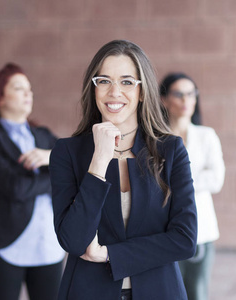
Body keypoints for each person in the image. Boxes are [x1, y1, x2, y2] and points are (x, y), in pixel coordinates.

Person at [48, 40, 197, 300]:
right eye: (104, 81)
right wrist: (99, 161)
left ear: (142, 91)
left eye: (127, 82)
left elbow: (184, 240)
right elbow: (72, 240)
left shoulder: (171, 150)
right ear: (93, 89)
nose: (114, 91)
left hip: (160, 292)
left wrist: (109, 254)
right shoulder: (67, 152)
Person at [0, 63, 65, 300]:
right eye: (19, 88)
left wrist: (50, 157)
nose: (28, 93)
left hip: (48, 247)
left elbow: (75, 171)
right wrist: (54, 175)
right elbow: (16, 188)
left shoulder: (43, 135)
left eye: (30, 89)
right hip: (6, 247)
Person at [160, 73, 225, 300]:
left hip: (201, 229)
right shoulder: (156, 137)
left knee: (197, 293)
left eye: (191, 94)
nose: (185, 100)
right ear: (164, 99)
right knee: (167, 291)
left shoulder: (206, 136)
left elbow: (216, 179)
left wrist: (176, 181)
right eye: (178, 94)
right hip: (162, 227)